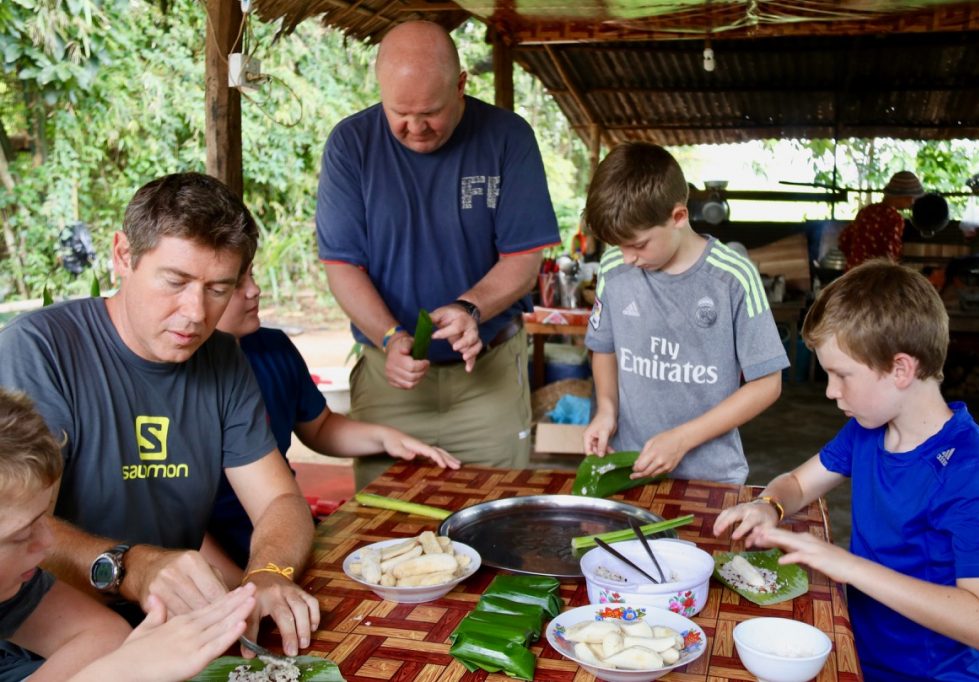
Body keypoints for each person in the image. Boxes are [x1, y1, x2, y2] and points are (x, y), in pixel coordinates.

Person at [0, 173, 319, 660]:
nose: (195, 312)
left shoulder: (223, 358)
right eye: (176, 281)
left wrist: (267, 576)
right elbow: (18, 525)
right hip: (45, 645)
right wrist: (132, 567)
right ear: (123, 255)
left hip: (181, 633)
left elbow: (279, 499)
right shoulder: (38, 350)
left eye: (218, 288)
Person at [713, 261, 979, 680]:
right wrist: (769, 506)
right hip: (862, 653)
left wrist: (846, 565)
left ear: (901, 369)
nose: (831, 391)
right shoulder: (867, 432)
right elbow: (798, 483)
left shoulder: (969, 472)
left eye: (842, 375)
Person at [315, 20, 561, 490]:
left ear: (461, 84)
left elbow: (524, 259)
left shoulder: (508, 138)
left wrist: (471, 308)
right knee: (382, 532)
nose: (414, 128)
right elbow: (342, 266)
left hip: (486, 379)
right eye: (399, 113)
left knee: (494, 512)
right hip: (392, 383)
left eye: (430, 112)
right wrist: (390, 339)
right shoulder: (351, 145)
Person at [207, 264, 461, 567]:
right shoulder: (173, 378)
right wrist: (244, 590)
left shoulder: (273, 349)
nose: (254, 290)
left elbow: (320, 426)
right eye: (235, 283)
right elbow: (177, 534)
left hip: (286, 537)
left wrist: (388, 438)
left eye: (253, 274)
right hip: (215, 558)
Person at [0, 387, 259, 682]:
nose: (47, 542)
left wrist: (133, 657)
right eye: (22, 534)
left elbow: (105, 634)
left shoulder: (13, 580)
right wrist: (117, 672)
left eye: (43, 517)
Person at [581, 142, 787, 484]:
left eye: (639, 244)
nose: (628, 257)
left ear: (678, 216)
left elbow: (767, 383)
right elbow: (604, 348)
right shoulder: (615, 268)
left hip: (710, 476)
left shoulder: (731, 277)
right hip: (627, 468)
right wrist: (606, 409)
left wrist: (683, 439)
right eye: (619, 245)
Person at [838, 170, 924, 270]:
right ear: (905, 197)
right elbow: (890, 254)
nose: (911, 202)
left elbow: (844, 240)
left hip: (853, 272)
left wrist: (856, 258)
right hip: (875, 275)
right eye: (911, 199)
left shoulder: (866, 211)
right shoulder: (894, 218)